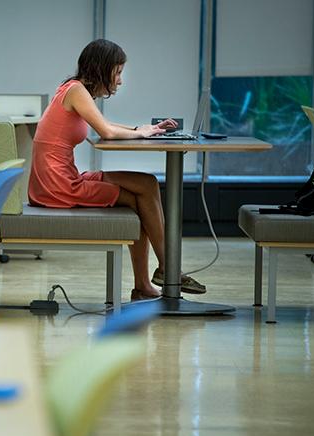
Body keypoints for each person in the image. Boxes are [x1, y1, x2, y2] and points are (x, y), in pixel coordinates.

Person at [28, 38, 205, 301]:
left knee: (147, 184)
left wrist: (143, 130)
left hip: (62, 178)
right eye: (118, 72)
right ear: (102, 68)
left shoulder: (72, 89)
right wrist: (142, 134)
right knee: (139, 198)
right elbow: (107, 132)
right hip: (58, 186)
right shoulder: (75, 91)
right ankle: (162, 273)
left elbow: (105, 125)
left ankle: (153, 279)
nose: (120, 80)